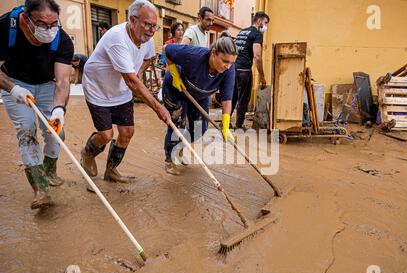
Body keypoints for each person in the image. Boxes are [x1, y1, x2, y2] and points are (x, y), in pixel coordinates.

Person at [80, 0, 170, 184]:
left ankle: (111, 171)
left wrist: (140, 70)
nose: (151, 30)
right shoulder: (117, 39)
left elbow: (148, 57)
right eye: (147, 24)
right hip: (99, 88)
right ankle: (87, 153)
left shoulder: (148, 40)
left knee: (127, 132)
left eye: (155, 26)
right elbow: (132, 83)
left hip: (121, 89)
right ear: (132, 20)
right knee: (106, 135)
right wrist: (158, 107)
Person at [0, 0, 74, 209]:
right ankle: (40, 190)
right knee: (26, 131)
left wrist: (59, 109)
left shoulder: (62, 40)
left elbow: (63, 81)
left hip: (48, 86)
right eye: (42, 24)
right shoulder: (5, 28)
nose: (48, 30)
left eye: (53, 24)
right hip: (14, 84)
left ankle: (50, 170)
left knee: (56, 132)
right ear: (25, 19)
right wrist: (12, 88)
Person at [162, 33, 237, 175]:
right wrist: (174, 74)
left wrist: (225, 125)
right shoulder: (194, 55)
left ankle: (178, 148)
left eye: (231, 63)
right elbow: (166, 49)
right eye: (225, 61)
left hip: (200, 94)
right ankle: (169, 160)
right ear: (213, 53)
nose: (227, 66)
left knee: (199, 129)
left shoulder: (229, 70)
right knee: (178, 126)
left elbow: (227, 99)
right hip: (177, 88)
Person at [231, 11, 270, 129]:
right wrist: (262, 76)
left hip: (233, 69)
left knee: (231, 97)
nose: (266, 26)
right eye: (265, 23)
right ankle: (238, 125)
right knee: (243, 99)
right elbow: (257, 56)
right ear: (259, 21)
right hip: (244, 71)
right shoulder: (257, 34)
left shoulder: (242, 32)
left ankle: (226, 123)